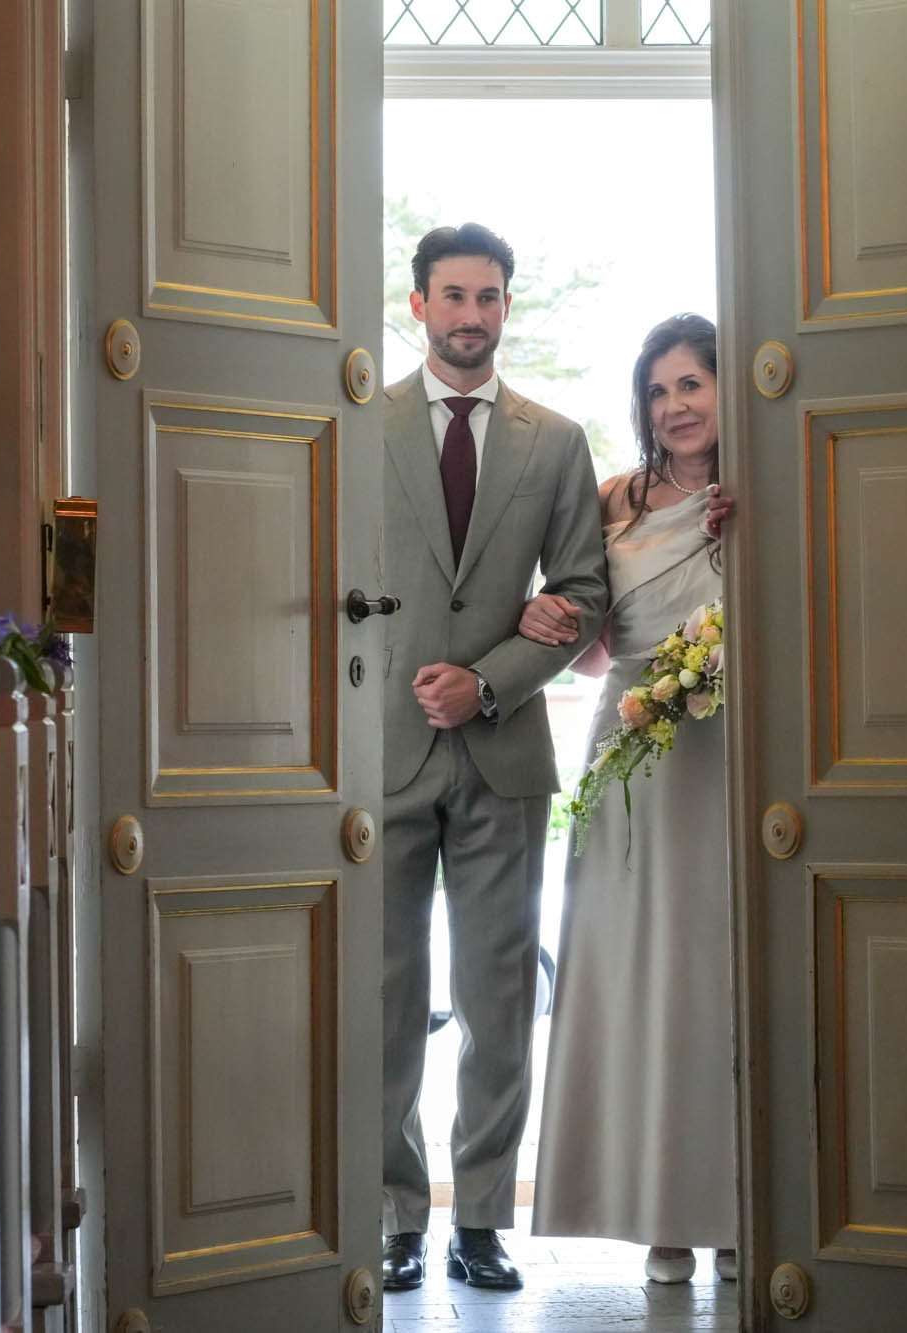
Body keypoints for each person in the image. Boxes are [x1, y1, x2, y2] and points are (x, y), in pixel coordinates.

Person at [378, 223, 609, 1294]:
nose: (471, 314)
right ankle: (394, 1213)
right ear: (419, 303)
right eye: (453, 294)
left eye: (488, 297)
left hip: (503, 752)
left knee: (498, 1000)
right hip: (381, 751)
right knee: (385, 997)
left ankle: (478, 1219)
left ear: (506, 307)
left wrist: (491, 678)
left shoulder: (554, 442)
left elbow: (584, 591)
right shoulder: (358, 425)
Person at [523, 313, 739, 1285]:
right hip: (630, 742)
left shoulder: (759, 490)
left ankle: (733, 1205)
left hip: (730, 746)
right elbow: (590, 641)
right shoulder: (614, 497)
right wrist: (544, 614)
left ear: (725, 390)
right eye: (658, 391)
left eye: (691, 384)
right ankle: (660, 1214)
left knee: (719, 976)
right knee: (637, 975)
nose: (674, 406)